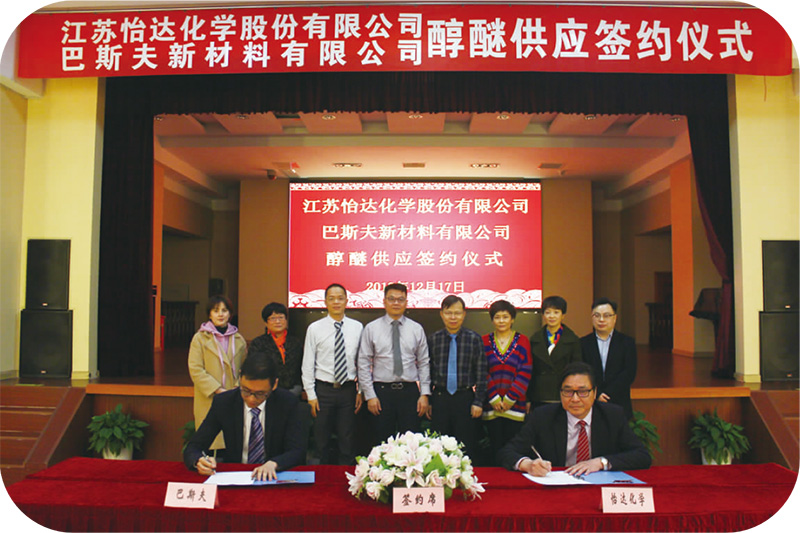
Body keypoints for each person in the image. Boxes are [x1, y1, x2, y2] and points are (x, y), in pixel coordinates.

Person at [499, 361, 650, 476]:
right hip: (556, 489)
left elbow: (642, 455)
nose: (575, 399)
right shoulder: (543, 416)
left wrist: (601, 462)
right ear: (560, 393)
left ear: (594, 392)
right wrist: (528, 465)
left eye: (583, 392)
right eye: (568, 392)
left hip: (597, 487)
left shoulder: (612, 416)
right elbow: (508, 452)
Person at [184, 353, 309, 481]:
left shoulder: (287, 403)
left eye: (260, 394)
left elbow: (297, 451)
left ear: (274, 385)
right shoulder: (224, 402)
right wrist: (198, 460)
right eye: (245, 390)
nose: (251, 399)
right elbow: (194, 447)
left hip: (272, 477)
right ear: (240, 378)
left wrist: (274, 463)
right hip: (237, 476)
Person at [358, 283, 431, 444]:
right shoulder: (371, 329)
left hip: (409, 392)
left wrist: (424, 394)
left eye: (400, 299)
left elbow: (424, 363)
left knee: (411, 443)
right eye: (391, 299)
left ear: (406, 302)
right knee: (381, 443)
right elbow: (363, 363)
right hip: (381, 393)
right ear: (384, 301)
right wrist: (370, 395)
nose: (396, 303)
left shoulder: (416, 329)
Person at [302, 283, 364, 465]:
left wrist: (361, 390)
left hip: (348, 390)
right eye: (331, 298)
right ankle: (321, 478)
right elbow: (308, 364)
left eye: (340, 298)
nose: (336, 302)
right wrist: (311, 395)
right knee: (321, 440)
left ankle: (347, 478)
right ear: (325, 302)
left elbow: (362, 362)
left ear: (347, 301)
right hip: (323, 390)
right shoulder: (314, 328)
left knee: (347, 440)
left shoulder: (357, 327)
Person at [427, 295, 487, 460]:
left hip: (465, 398)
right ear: (441, 314)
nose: (453, 317)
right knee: (438, 445)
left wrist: (478, 401)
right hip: (440, 398)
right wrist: (429, 400)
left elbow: (481, 372)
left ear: (464, 314)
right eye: (448, 313)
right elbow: (428, 372)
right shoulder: (433, 339)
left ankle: (465, 474)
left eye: (457, 313)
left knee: (466, 445)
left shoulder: (474, 339)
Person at [188, 295, 247, 451]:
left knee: (231, 442)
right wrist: (217, 389)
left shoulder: (239, 339)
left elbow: (244, 368)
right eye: (216, 310)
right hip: (209, 397)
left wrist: (236, 387)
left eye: (224, 310)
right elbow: (195, 369)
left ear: (230, 314)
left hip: (233, 395)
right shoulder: (200, 338)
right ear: (209, 314)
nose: (220, 314)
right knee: (211, 440)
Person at [481, 300, 532, 461]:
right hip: (492, 405)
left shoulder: (523, 341)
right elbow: (482, 371)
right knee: (495, 449)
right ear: (492, 320)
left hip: (515, 405)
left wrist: (510, 398)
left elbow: (525, 370)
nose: (501, 321)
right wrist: (494, 398)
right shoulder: (484, 341)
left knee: (513, 450)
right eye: (497, 317)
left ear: (512, 319)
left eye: (505, 317)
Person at [580, 297, 638, 420]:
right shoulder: (583, 343)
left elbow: (629, 372)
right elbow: (583, 372)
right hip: (591, 400)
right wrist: (597, 392)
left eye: (606, 315)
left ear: (614, 318)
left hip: (619, 400)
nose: (601, 319)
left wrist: (608, 393)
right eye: (597, 315)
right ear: (592, 317)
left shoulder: (627, 342)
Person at [527, 295, 582, 410]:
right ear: (543, 315)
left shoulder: (572, 340)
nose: (551, 316)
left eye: (556, 312)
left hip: (563, 393)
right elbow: (530, 371)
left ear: (563, 315)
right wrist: (527, 398)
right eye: (548, 312)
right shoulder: (534, 339)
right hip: (539, 394)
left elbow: (576, 370)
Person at [249, 302, 303, 397]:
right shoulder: (258, 343)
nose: (278, 321)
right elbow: (254, 369)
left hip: (293, 391)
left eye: (281, 317)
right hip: (267, 392)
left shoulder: (296, 342)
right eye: (273, 318)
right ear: (266, 322)